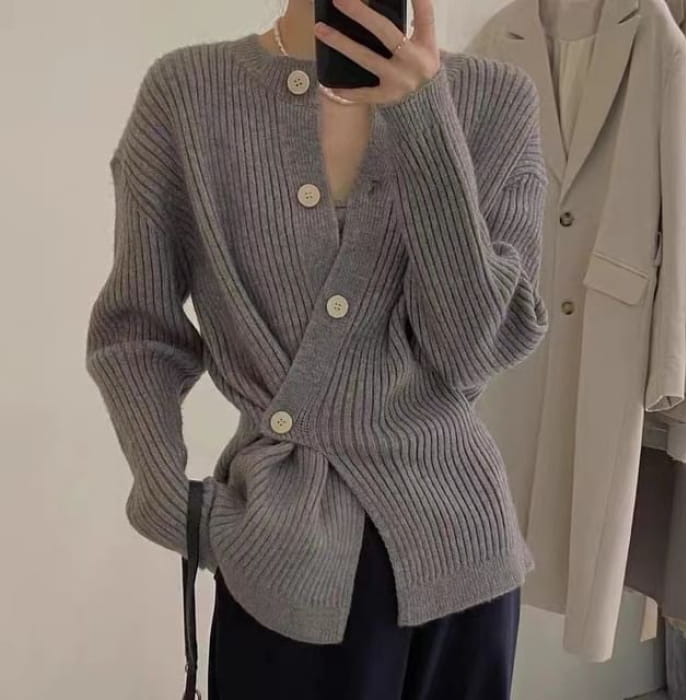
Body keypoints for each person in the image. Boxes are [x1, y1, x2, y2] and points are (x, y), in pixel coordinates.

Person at [85, 0, 550, 697]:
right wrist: (167, 496)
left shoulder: (495, 99)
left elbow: (471, 351)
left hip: (462, 556)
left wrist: (424, 119)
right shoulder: (188, 94)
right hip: (281, 561)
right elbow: (136, 329)